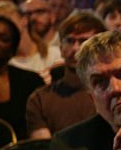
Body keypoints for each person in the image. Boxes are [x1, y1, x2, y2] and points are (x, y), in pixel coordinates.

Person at [25, 11, 106, 139]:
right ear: (61, 46)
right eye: (69, 41)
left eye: (83, 41)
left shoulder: (110, 93)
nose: (75, 48)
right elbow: (43, 148)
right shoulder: (40, 99)